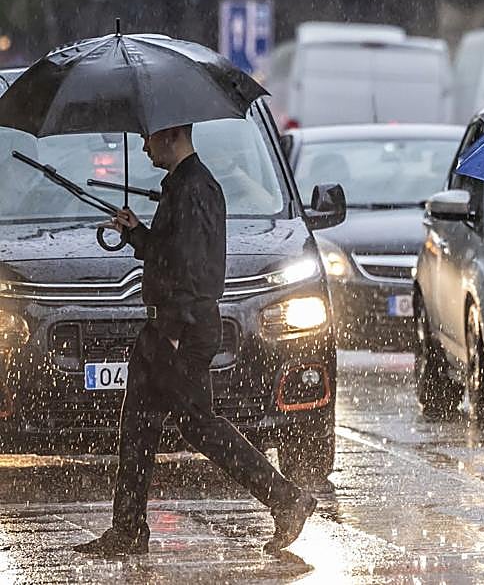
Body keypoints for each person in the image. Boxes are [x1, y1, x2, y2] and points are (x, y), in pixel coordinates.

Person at [73, 125, 317, 557]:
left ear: (169, 135)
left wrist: (172, 331)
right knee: (140, 425)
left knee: (197, 426)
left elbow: (196, 271)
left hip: (180, 328)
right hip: (166, 326)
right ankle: (128, 528)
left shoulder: (196, 189)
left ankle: (287, 499)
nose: (144, 146)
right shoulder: (180, 188)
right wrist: (137, 234)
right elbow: (172, 255)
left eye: (149, 137)